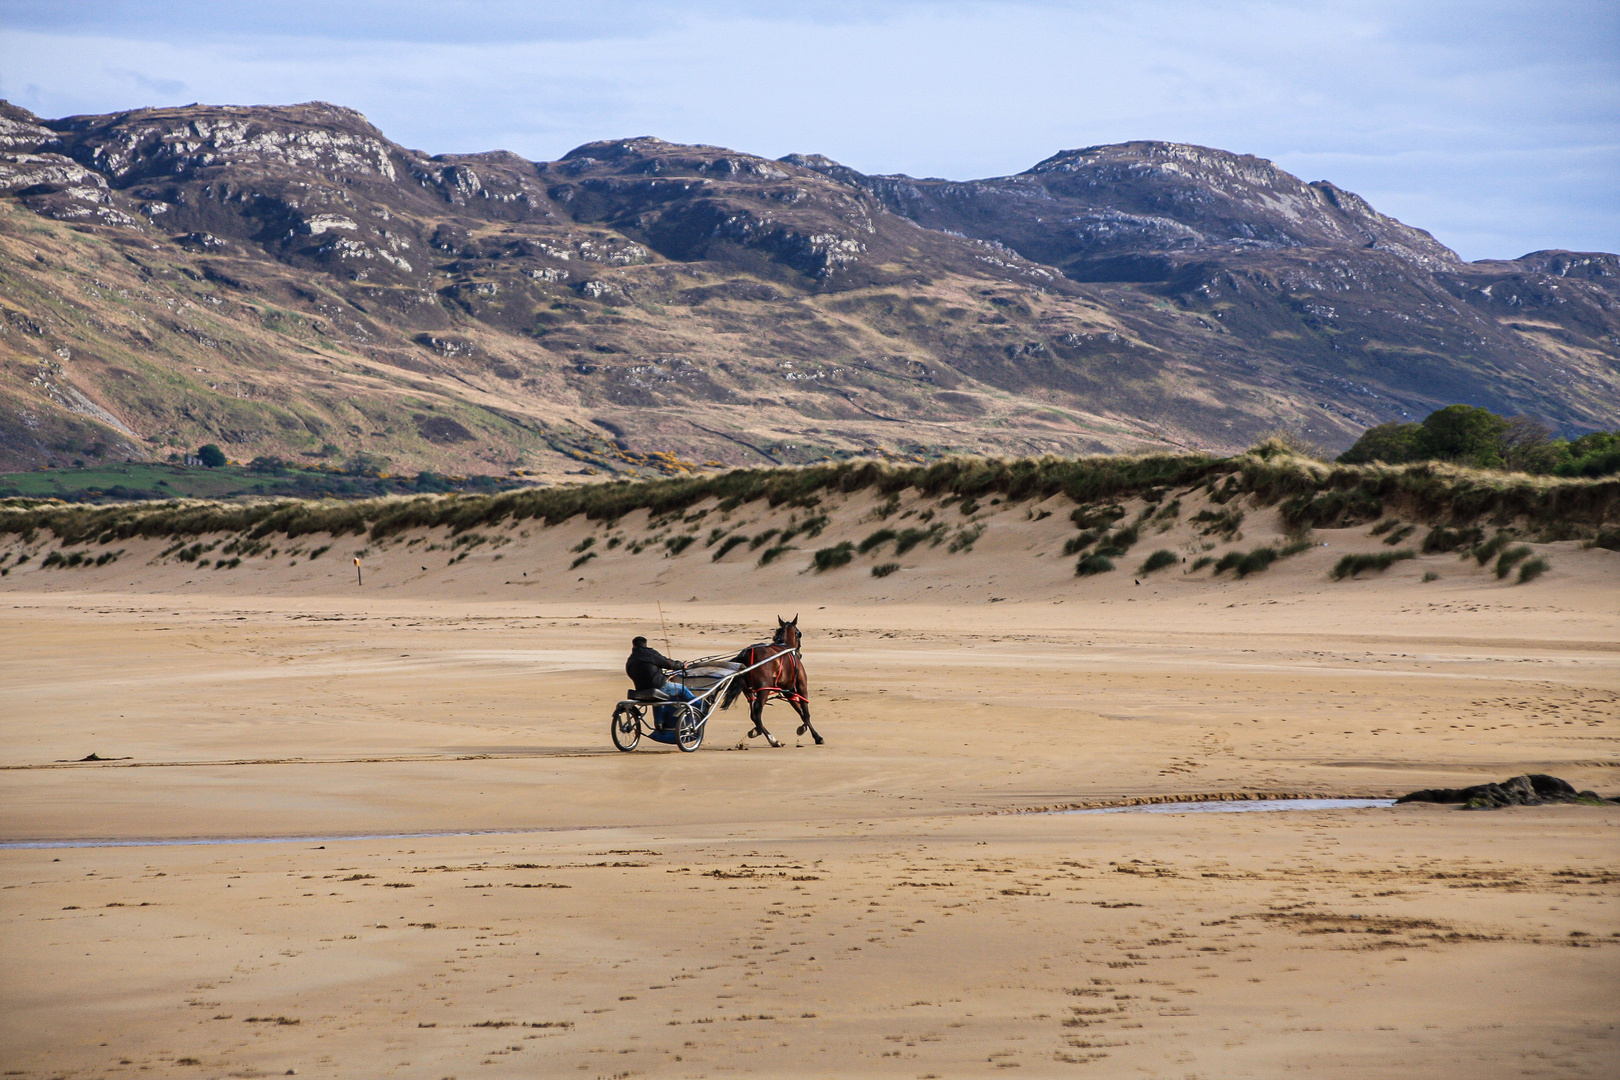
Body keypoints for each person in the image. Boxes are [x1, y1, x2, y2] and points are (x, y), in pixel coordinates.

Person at [625, 635, 698, 729]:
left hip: (641, 689)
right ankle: (699, 706)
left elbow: (629, 672)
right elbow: (667, 663)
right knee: (683, 689)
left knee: (657, 698)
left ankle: (659, 723)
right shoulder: (650, 653)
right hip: (657, 686)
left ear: (633, 646)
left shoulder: (631, 658)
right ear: (645, 644)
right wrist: (681, 665)